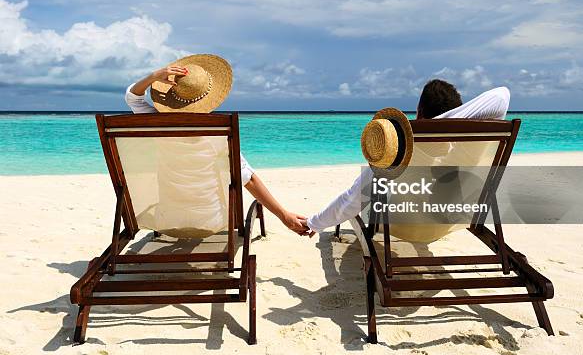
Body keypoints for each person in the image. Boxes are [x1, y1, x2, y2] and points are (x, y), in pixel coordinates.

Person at [302, 80, 511, 235]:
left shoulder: (398, 153)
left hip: (402, 224)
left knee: (367, 192)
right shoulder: (466, 149)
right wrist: (445, 126)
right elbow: (502, 95)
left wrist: (314, 223)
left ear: (419, 110)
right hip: (445, 223)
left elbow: (352, 201)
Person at [126, 63, 308, 235]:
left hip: (167, 219)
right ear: (208, 97)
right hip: (213, 221)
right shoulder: (218, 134)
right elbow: (248, 180)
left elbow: (133, 97)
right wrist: (284, 215)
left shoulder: (154, 124)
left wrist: (154, 76)